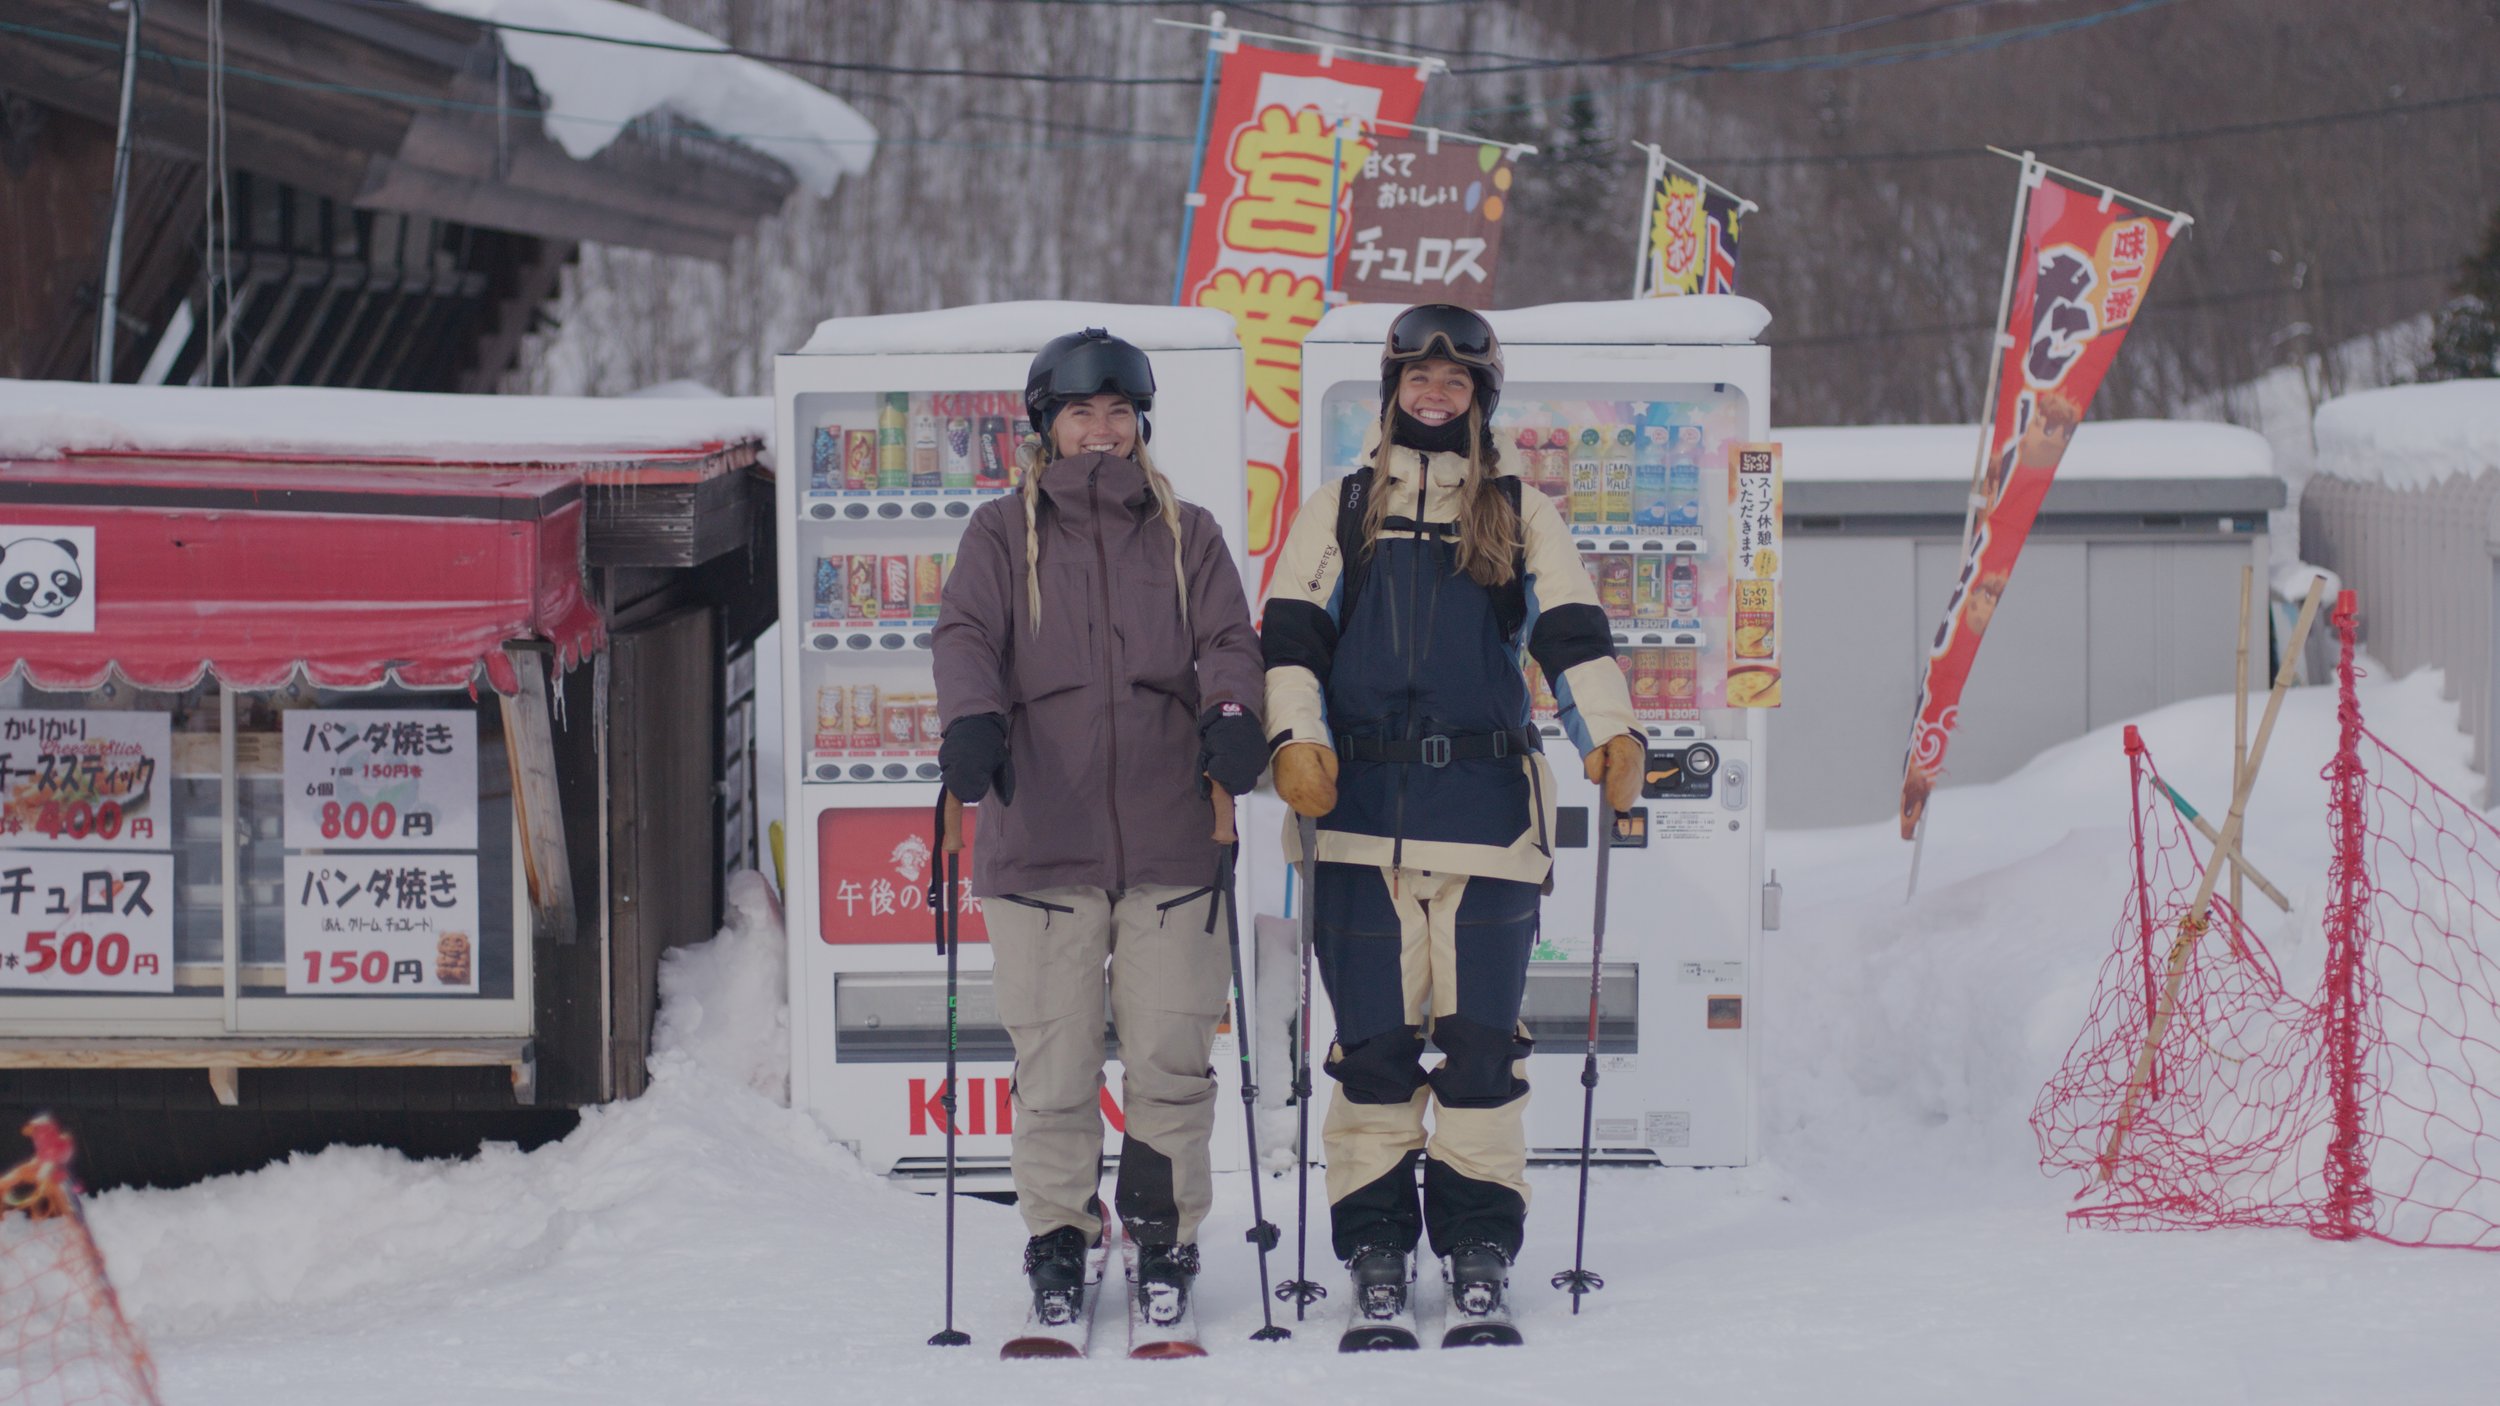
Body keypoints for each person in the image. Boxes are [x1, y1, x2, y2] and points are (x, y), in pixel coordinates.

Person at [1260, 303, 1645, 1345]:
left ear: (1481, 396)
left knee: (1480, 1049)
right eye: (1419, 380)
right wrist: (1295, 734)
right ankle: (1376, 1245)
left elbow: (1568, 626)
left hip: (1484, 821)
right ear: (1393, 388)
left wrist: (1607, 731)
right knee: (1374, 1047)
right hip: (1355, 822)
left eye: (1456, 383)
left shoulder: (1518, 510)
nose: (1435, 397)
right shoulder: (1343, 504)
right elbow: (1289, 633)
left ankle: (1478, 1241)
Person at [931, 328, 1267, 1335]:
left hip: (1174, 834)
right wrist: (972, 721)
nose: (1101, 430)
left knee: (1169, 1055)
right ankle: (1059, 1239)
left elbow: (1225, 639)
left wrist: (1233, 714)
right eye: (1081, 412)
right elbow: (964, 635)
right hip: (1042, 836)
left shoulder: (1186, 530)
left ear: (1140, 423)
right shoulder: (1000, 531)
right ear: (1046, 423)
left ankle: (1162, 1236)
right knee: (1057, 1065)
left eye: (1119, 412)